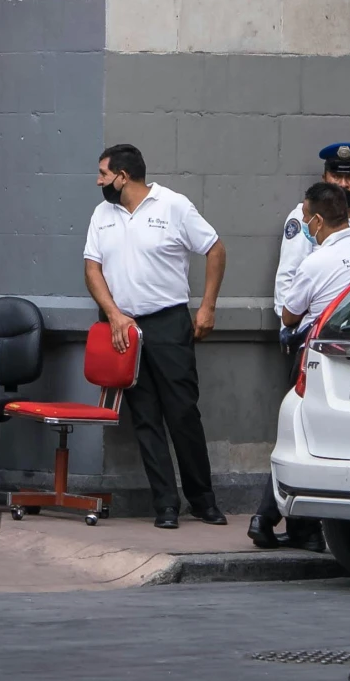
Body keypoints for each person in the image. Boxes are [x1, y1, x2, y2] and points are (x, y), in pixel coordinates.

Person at [82, 142, 227, 531]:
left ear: (123, 177)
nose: (98, 181)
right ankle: (165, 504)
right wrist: (114, 315)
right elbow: (92, 267)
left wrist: (208, 306)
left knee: (182, 414)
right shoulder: (102, 213)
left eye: (102, 173)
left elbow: (214, 248)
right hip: (125, 329)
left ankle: (203, 500)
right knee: (145, 418)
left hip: (167, 323)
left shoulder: (173, 205)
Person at [251, 182, 350, 548]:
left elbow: (290, 316)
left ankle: (268, 517)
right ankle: (290, 523)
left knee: (301, 437)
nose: (304, 225)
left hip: (317, 358)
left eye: (306, 218)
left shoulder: (316, 261)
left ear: (318, 220)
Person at [272, 140, 350, 324]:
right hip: (317, 330)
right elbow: (288, 276)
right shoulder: (305, 218)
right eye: (336, 175)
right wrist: (290, 330)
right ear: (324, 179)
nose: (343, 184)